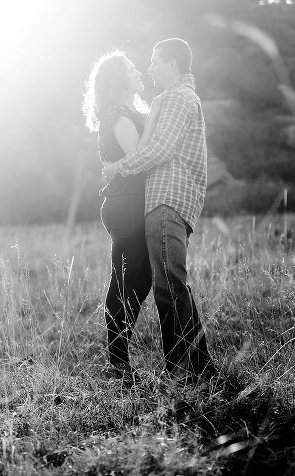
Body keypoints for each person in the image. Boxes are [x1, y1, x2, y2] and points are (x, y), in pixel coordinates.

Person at [102, 38, 214, 383]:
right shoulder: (167, 100)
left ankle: (183, 371)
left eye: (153, 62)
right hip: (156, 202)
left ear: (172, 65)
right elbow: (154, 145)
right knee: (166, 284)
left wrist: (119, 167)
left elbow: (160, 148)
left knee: (168, 287)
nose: (148, 69)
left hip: (167, 200)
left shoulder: (177, 98)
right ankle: (197, 368)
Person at [83, 50, 165, 384]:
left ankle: (119, 359)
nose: (138, 71)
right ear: (118, 78)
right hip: (127, 206)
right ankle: (118, 364)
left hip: (129, 204)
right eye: (130, 69)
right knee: (126, 282)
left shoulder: (123, 112)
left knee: (137, 280)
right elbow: (140, 157)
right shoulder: (119, 115)